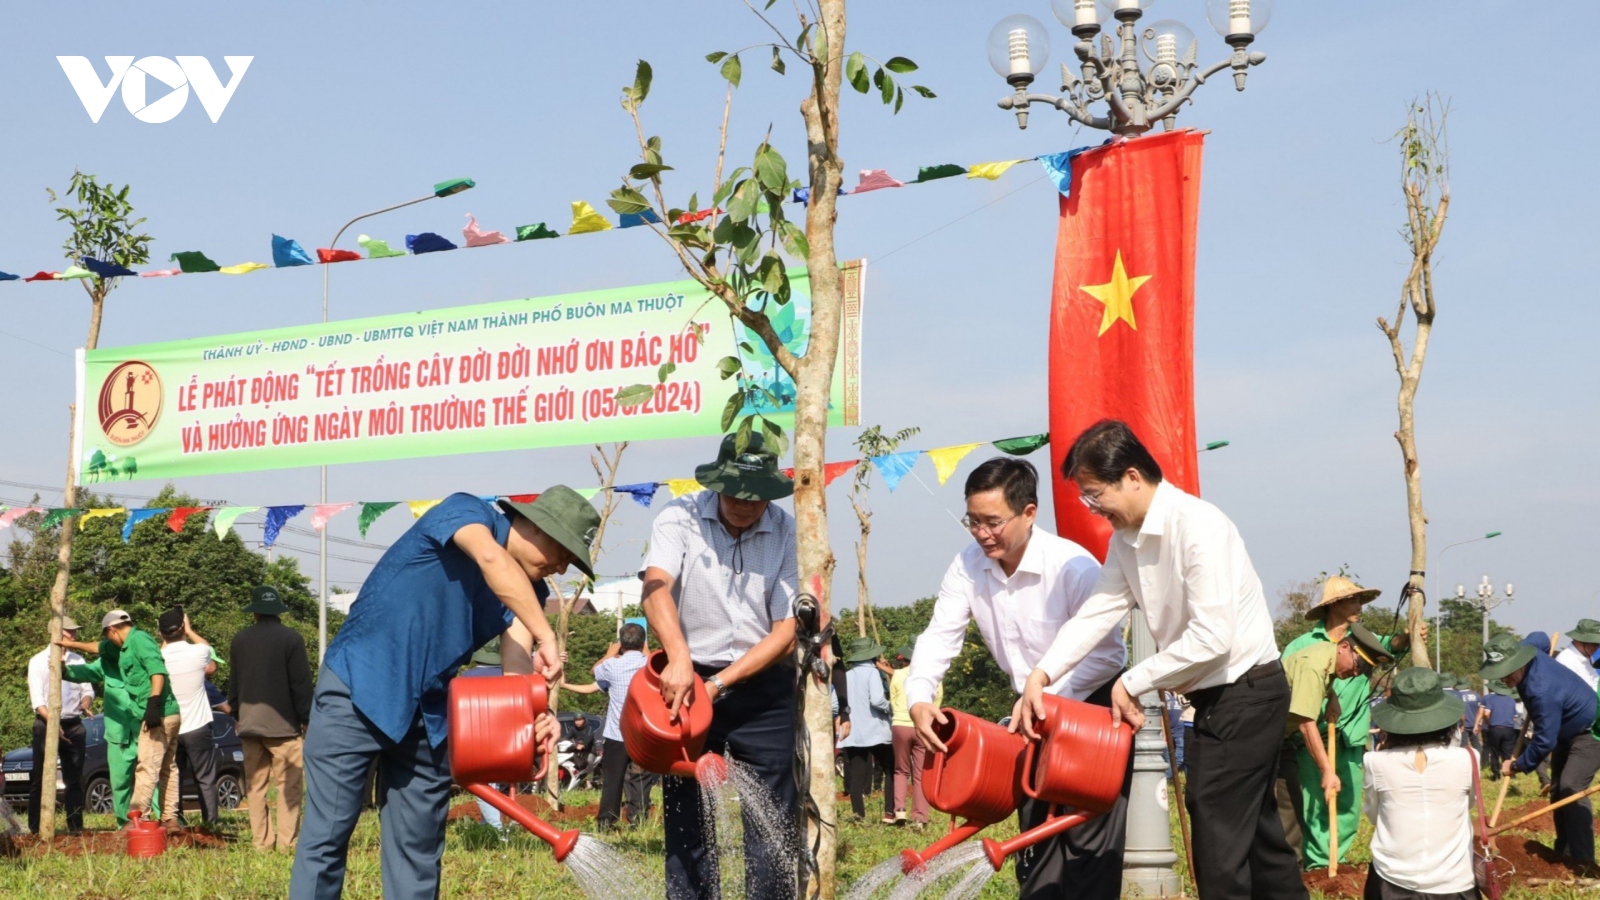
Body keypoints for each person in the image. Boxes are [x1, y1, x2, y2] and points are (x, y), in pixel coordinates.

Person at [1020, 420, 1307, 900]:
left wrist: (1131, 681)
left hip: (1247, 691)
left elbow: (1213, 636)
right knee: (1258, 838)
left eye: (1094, 494)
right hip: (1218, 698)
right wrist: (1042, 673)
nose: (1091, 508)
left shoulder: (1198, 526)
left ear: (1132, 477)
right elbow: (1098, 611)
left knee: (1217, 838)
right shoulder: (1125, 541)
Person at [290, 490, 588, 900]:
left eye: (571, 561)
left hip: (427, 716)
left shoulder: (530, 596)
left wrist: (536, 715)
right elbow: (490, 559)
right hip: (358, 689)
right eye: (561, 550)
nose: (561, 565)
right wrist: (546, 633)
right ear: (534, 524)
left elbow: (516, 675)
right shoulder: (467, 511)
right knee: (327, 838)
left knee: (418, 850)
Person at [909, 457, 1129, 900]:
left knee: (1089, 842)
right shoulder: (968, 565)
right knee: (1035, 839)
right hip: (1029, 719)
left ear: (1029, 513)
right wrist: (918, 696)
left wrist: (1043, 697)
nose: (982, 533)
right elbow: (940, 635)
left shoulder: (1073, 567)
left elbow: (1108, 656)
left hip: (1090, 711)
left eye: (993, 522)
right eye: (972, 521)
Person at [642, 433, 798, 900]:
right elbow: (655, 587)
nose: (745, 504)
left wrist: (720, 683)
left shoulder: (787, 530)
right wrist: (682, 660)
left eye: (756, 496)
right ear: (717, 482)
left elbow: (786, 628)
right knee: (687, 816)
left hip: (762, 686)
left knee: (771, 818)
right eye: (735, 492)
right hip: (684, 682)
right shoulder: (680, 516)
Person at [1278, 575, 1416, 870]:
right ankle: (1317, 863)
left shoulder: (1363, 642)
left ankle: (1335, 858)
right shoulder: (1301, 647)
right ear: (1334, 605)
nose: (1359, 606)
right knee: (1315, 800)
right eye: (1353, 599)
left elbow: (1391, 647)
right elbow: (1299, 705)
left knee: (1348, 804)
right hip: (1308, 739)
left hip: (1350, 735)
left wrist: (1410, 634)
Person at [1275, 623, 1394, 869]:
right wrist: (1328, 771)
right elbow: (1306, 724)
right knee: (1269, 806)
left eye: (1364, 671)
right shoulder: (1314, 664)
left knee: (1290, 804)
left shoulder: (1326, 659)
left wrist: (1333, 697)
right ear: (1343, 647)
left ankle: (1291, 872)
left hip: (1280, 739)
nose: (1356, 673)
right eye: (1358, 665)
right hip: (1260, 737)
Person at [1481, 630, 1600, 864]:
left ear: (1520, 662)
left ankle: (1584, 862)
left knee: (1571, 787)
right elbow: (1542, 636)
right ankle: (1563, 852)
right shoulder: (1529, 647)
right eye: (1499, 673)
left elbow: (1545, 741)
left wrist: (1517, 765)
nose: (1503, 679)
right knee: (1556, 789)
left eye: (1507, 672)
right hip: (1566, 731)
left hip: (1591, 731)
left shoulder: (1541, 691)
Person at [61, 610, 182, 832]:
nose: (108, 642)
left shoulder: (138, 642)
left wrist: (153, 703)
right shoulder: (114, 653)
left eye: (108, 636)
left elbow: (157, 670)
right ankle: (158, 819)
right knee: (156, 770)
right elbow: (93, 649)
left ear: (113, 630)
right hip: (123, 729)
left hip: (150, 719)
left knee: (149, 770)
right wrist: (64, 647)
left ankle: (142, 820)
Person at [1363, 667, 1477, 900]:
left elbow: (1374, 815)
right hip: (1455, 883)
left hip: (1391, 883)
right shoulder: (1469, 758)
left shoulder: (1375, 762)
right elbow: (1470, 804)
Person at [232, 586, 314, 852]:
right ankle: (287, 844)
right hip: (284, 727)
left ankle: (261, 843)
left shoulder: (240, 639)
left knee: (255, 788)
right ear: (279, 611)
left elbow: (234, 683)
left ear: (254, 611)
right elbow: (300, 684)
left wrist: (237, 715)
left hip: (250, 725)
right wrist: (307, 717)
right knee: (288, 788)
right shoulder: (292, 639)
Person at [61, 630, 139, 826]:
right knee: (119, 781)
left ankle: (157, 819)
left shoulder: (140, 659)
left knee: (152, 778)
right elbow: (81, 673)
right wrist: (61, 668)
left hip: (143, 730)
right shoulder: (104, 664)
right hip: (117, 733)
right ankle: (124, 823)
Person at [27, 616, 94, 834]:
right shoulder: (37, 661)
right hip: (46, 724)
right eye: (69, 632)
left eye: (74, 631)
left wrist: (85, 704)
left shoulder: (78, 660)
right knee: (39, 778)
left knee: (73, 779)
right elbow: (38, 702)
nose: (73, 635)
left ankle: (75, 827)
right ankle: (36, 829)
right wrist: (53, 724)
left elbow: (87, 690)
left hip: (73, 724)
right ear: (55, 632)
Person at [158, 608, 221, 826]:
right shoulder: (198, 652)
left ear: (161, 633)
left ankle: (177, 820)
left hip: (170, 726)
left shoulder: (160, 658)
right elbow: (207, 648)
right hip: (198, 726)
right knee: (205, 778)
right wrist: (191, 630)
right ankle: (210, 822)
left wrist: (164, 639)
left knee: (172, 776)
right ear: (183, 627)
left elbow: (159, 652)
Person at [593, 623, 653, 829]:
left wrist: (609, 654)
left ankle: (606, 822)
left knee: (613, 779)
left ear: (621, 643)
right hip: (644, 734)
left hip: (616, 733)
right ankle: (639, 819)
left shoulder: (611, 666)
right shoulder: (651, 665)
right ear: (643, 642)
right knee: (642, 778)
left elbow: (595, 671)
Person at [837, 637, 893, 823]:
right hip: (876, 731)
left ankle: (858, 815)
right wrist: (891, 707)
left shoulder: (846, 675)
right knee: (890, 770)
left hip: (854, 733)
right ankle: (889, 812)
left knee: (857, 777)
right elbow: (877, 700)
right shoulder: (873, 674)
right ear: (871, 655)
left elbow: (835, 705)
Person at [888, 644, 936, 827]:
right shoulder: (932, 676)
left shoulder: (898, 674)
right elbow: (937, 701)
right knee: (920, 773)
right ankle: (920, 816)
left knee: (901, 770)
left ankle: (899, 811)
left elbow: (893, 700)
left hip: (900, 723)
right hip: (922, 726)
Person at [1477, 679, 1518, 780]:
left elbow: (1486, 713)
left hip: (1495, 728)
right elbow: (1515, 717)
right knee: (1508, 752)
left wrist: (1488, 721)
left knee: (1494, 752)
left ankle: (1496, 775)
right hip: (1509, 729)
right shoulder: (1511, 700)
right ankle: (1510, 773)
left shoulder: (1491, 699)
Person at [1557, 619, 1600, 692]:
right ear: (1580, 641)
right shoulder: (1566, 661)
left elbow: (1595, 683)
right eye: (1595, 644)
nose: (1598, 647)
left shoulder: (1587, 658)